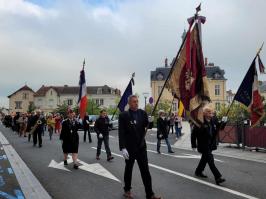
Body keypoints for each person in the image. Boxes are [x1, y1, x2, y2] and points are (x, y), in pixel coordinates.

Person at [119, 95, 161, 199]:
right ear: (129, 103)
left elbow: (148, 126)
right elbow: (121, 132)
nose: (136, 103)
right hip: (129, 148)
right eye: (134, 101)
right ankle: (127, 191)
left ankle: (150, 194)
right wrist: (123, 147)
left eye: (137, 101)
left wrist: (151, 122)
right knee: (129, 169)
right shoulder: (124, 115)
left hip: (141, 147)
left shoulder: (142, 113)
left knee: (145, 171)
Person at [191, 103, 227, 185]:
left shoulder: (213, 120)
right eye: (209, 113)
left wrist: (224, 121)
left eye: (212, 113)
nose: (211, 114)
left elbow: (220, 128)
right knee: (210, 160)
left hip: (210, 144)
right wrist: (193, 145)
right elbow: (193, 134)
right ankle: (218, 177)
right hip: (203, 144)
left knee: (204, 158)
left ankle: (198, 171)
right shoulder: (199, 121)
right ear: (204, 113)